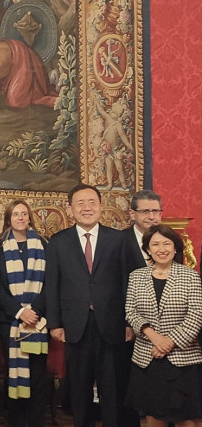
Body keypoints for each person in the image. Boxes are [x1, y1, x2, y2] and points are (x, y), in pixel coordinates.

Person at [44, 183, 139, 427]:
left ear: (100, 206)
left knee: (113, 388)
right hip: (76, 326)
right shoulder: (58, 241)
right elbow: (52, 284)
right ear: (70, 209)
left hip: (113, 325)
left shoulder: (119, 239)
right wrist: (55, 323)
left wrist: (130, 322)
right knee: (79, 389)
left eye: (92, 202)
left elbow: (131, 283)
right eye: (80, 203)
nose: (87, 208)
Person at [125, 224, 202, 427]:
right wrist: (154, 337)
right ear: (148, 249)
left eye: (167, 243)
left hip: (183, 360)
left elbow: (196, 315)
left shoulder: (190, 276)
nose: (162, 249)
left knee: (187, 419)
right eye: (155, 244)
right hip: (147, 357)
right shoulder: (136, 276)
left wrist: (169, 342)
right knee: (153, 416)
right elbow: (131, 312)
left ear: (175, 248)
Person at [0, 200, 49, 427]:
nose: (21, 218)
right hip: (10, 322)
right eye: (16, 214)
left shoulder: (44, 244)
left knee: (38, 377)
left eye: (24, 214)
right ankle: (16, 421)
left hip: (38, 320)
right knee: (13, 372)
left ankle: (35, 422)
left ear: (30, 218)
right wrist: (19, 311)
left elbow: (50, 283)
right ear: (8, 219)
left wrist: (35, 310)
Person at [124, 190, 165, 266]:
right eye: (145, 211)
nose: (151, 217)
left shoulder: (171, 241)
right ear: (132, 214)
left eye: (155, 211)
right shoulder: (118, 241)